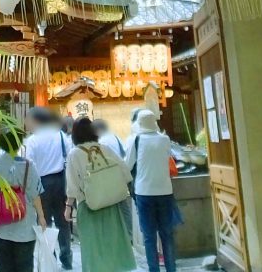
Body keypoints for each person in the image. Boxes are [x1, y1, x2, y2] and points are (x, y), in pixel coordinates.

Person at [64, 118, 135, 272]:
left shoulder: (74, 154)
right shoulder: (104, 149)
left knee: (93, 250)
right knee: (113, 247)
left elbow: (72, 186)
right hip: (111, 205)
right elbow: (126, 172)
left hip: (89, 206)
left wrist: (68, 206)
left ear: (75, 134)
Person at [0, 127, 47, 272]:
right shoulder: (28, 166)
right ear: (19, 144)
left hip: (1, 228)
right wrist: (41, 217)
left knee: (4, 266)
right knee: (25, 266)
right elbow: (35, 195)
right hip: (25, 229)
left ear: (0, 144)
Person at [125, 110, 179, 272]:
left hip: (144, 193)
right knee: (167, 235)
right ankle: (171, 269)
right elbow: (169, 157)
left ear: (139, 124)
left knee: (149, 237)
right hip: (165, 191)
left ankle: (154, 269)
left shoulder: (136, 140)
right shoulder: (165, 139)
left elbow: (127, 166)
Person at [24, 106, 74, 270]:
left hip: (41, 183)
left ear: (36, 120)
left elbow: (28, 165)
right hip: (61, 181)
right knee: (63, 222)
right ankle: (67, 259)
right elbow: (70, 155)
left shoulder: (32, 141)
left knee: (43, 221)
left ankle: (50, 258)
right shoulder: (60, 136)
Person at [94, 119, 134, 240]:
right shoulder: (114, 137)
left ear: (97, 130)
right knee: (123, 205)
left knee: (113, 207)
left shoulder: (102, 142)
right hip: (119, 176)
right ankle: (129, 232)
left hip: (109, 177)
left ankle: (121, 234)